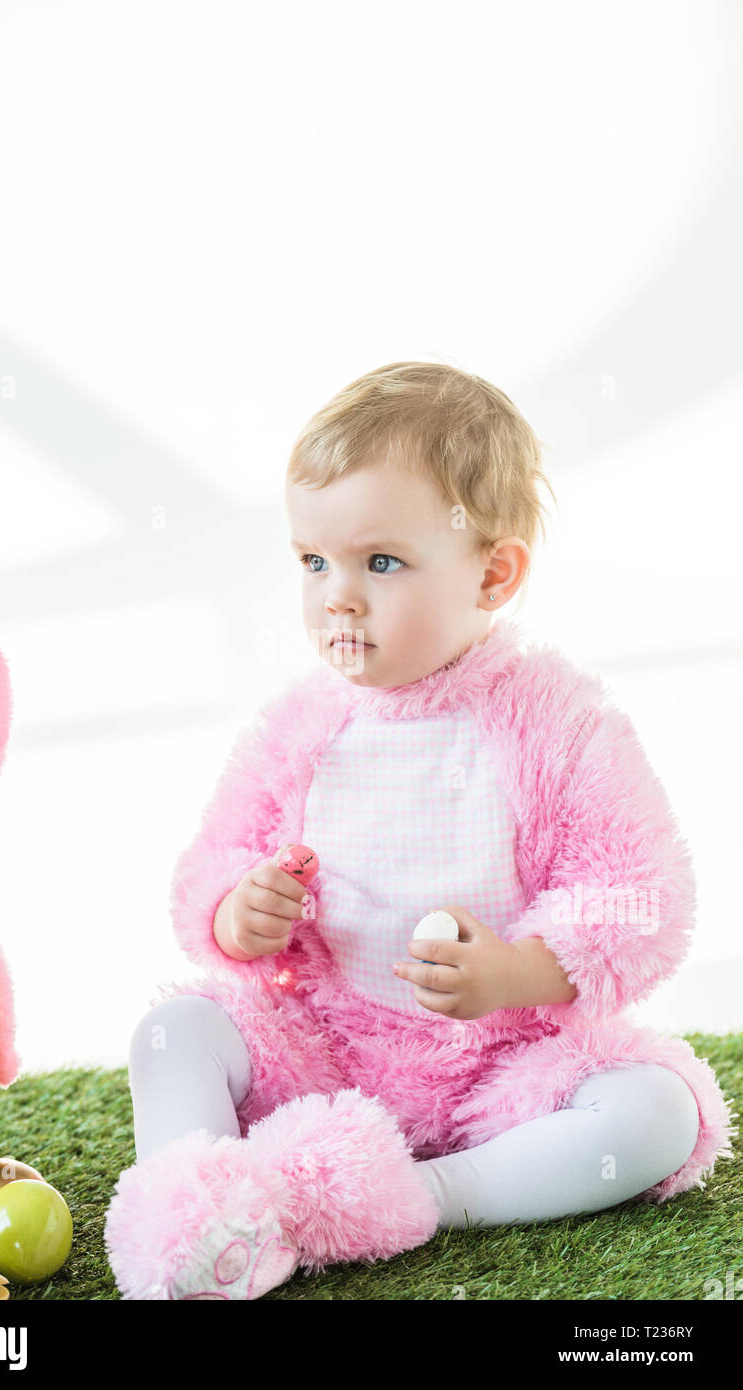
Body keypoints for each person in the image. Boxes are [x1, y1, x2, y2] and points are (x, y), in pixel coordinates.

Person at [105, 361, 735, 1300]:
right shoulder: (301, 727)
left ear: (493, 571)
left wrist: (517, 971)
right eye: (313, 562)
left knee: (655, 1114)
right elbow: (214, 861)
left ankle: (425, 1194)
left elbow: (641, 894)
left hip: (501, 1066)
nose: (337, 598)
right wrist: (242, 913)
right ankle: (199, 1209)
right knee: (174, 1032)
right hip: (322, 1050)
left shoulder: (555, 721)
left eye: (380, 562)